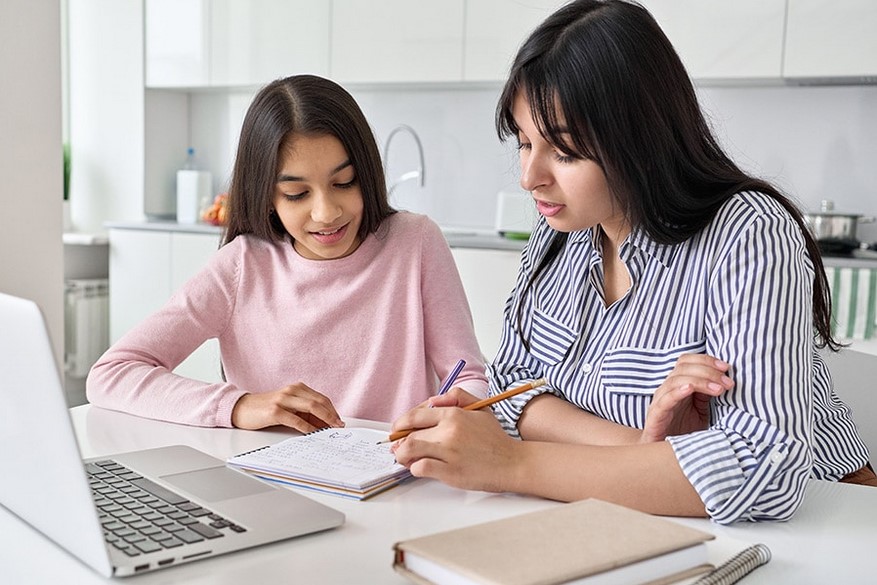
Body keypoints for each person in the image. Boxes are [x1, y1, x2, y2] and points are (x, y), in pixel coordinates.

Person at [390, 0, 875, 524]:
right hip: (632, 513)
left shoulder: (749, 234)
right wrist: (640, 450)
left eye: (565, 152)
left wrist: (514, 462)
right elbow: (513, 392)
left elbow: (763, 470)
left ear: (639, 139)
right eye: (525, 142)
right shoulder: (564, 230)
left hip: (829, 523)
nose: (530, 177)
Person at [87, 75, 487, 432]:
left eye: (345, 183)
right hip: (270, 478)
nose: (326, 212)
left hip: (394, 479)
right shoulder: (243, 265)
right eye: (297, 194)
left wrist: (460, 409)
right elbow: (111, 374)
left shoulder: (414, 242)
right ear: (266, 197)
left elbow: (467, 375)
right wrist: (238, 405)